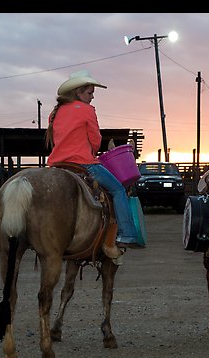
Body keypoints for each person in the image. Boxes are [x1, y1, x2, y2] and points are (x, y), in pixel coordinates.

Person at [45, 70, 143, 249]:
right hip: (84, 164)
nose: (92, 98)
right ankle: (127, 234)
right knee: (118, 190)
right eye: (90, 93)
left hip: (58, 166)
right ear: (78, 92)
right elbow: (96, 142)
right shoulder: (87, 110)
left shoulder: (54, 113)